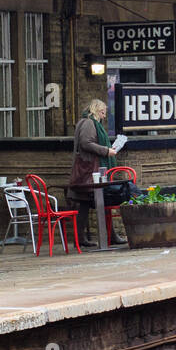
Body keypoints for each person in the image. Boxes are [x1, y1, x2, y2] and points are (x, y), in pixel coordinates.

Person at [69, 99, 119, 247]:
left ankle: (107, 235)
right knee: (90, 201)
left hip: (91, 169)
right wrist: (106, 150)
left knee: (94, 201)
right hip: (89, 170)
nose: (104, 116)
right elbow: (86, 143)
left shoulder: (89, 123)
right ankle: (84, 238)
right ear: (96, 110)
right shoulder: (89, 123)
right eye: (102, 112)